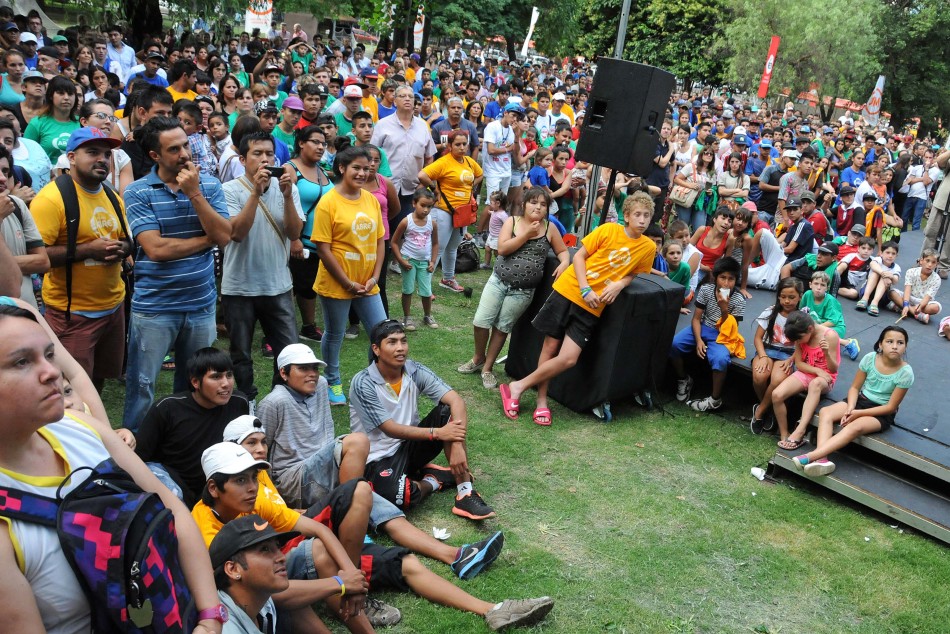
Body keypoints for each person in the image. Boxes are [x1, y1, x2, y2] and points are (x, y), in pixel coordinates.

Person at [0, 302, 225, 633]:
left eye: (49, 355)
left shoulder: (81, 427)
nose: (52, 372)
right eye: (21, 362)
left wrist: (210, 615)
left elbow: (171, 507)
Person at [499, 192, 656, 424]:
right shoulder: (608, 230)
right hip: (570, 289)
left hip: (593, 306)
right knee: (549, 347)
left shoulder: (648, 247)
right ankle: (541, 401)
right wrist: (585, 288)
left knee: (569, 358)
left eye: (647, 216)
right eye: (637, 215)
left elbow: (633, 272)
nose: (642, 220)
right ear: (627, 216)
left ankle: (518, 386)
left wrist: (620, 283)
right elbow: (579, 257)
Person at [122, 116, 232, 431]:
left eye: (185, 144)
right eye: (174, 149)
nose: (185, 153)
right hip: (155, 307)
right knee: (142, 387)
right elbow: (155, 249)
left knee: (193, 385)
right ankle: (136, 452)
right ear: (155, 155)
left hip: (200, 305)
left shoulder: (208, 185)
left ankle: (184, 441)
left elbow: (224, 238)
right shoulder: (138, 192)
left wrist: (195, 194)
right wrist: (206, 239)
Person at [350, 319, 498, 520]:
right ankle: (434, 480)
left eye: (404, 341)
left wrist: (455, 445)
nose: (400, 348)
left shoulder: (414, 370)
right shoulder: (363, 383)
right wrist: (438, 433)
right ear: (376, 349)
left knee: (447, 412)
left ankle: (465, 493)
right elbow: (389, 428)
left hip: (410, 446)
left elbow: (457, 401)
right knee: (400, 498)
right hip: (378, 456)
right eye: (392, 342)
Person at [32, 126, 130, 393]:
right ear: (72, 157)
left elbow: (127, 239)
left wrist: (120, 248)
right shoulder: (51, 199)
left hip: (113, 306)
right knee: (70, 387)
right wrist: (90, 250)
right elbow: (38, 257)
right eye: (93, 152)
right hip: (73, 314)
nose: (102, 159)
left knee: (98, 378)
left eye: (107, 154)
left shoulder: (111, 194)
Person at [221, 131, 303, 407]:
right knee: (240, 352)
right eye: (257, 154)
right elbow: (237, 232)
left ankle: (280, 402)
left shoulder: (287, 188)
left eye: (270, 154)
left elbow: (294, 232)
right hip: (239, 286)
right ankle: (246, 402)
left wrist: (289, 196)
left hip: (278, 285)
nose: (265, 159)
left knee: (288, 352)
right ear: (243, 159)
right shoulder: (229, 190)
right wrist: (256, 192)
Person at [459, 187, 569, 391]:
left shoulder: (549, 228)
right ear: (524, 204)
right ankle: (478, 357)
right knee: (481, 321)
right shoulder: (512, 222)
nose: (538, 207)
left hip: (523, 291)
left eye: (543, 204)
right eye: (534, 202)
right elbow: (502, 249)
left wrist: (564, 262)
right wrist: (526, 234)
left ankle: (488, 369)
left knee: (502, 328)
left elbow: (562, 251)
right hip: (498, 281)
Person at [312, 145, 387, 406]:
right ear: (342, 168)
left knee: (381, 333)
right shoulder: (328, 202)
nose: (362, 173)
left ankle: (373, 381)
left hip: (368, 282)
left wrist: (375, 278)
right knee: (335, 333)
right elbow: (323, 247)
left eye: (366, 168)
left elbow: (380, 240)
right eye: (356, 167)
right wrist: (347, 282)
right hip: (338, 282)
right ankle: (332, 380)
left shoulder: (371, 200)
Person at [792, 326, 913, 477]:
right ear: (881, 344)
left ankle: (811, 456)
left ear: (905, 346)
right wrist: (850, 408)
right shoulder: (870, 358)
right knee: (826, 412)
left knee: (854, 427)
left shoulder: (905, 373)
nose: (895, 346)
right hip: (859, 401)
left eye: (900, 343)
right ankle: (822, 460)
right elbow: (855, 388)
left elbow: (890, 407)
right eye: (890, 341)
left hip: (880, 412)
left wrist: (858, 414)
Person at [135, 347, 250, 505]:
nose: (226, 384)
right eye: (216, 377)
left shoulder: (239, 403)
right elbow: (138, 460)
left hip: (218, 489)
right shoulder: (167, 409)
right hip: (173, 489)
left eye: (229, 375)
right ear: (195, 381)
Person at [670, 256, 746, 412]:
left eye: (730, 279)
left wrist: (724, 308)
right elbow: (696, 319)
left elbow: (730, 329)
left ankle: (714, 399)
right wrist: (698, 340)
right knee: (674, 344)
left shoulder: (738, 299)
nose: (726, 283)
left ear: (735, 280)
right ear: (716, 277)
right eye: (722, 278)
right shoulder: (706, 290)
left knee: (720, 359)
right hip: (703, 326)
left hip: (722, 334)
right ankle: (683, 379)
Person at [417, 129, 483, 293]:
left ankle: (448, 278)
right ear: (449, 145)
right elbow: (422, 175)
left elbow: (480, 174)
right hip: (444, 211)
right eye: (457, 144)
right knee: (437, 247)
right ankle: (424, 284)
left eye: (464, 144)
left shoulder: (468, 162)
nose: (462, 147)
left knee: (453, 247)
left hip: (462, 213)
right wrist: (434, 188)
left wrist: (470, 187)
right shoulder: (444, 162)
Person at [208, 514, 299, 633]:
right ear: (233, 569)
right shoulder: (226, 629)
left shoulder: (261, 597)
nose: (282, 557)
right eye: (265, 549)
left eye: (277, 547)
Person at [371, 84, 436, 230]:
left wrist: (423, 183)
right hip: (385, 187)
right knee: (381, 229)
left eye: (410, 97)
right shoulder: (382, 125)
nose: (407, 99)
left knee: (406, 231)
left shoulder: (423, 126)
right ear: (395, 101)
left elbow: (429, 158)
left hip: (412, 188)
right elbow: (372, 154)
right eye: (402, 96)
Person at [772, 310, 840, 450]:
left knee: (815, 384)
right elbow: (799, 363)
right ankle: (784, 433)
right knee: (776, 395)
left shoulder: (830, 336)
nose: (797, 342)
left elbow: (833, 369)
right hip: (808, 372)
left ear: (810, 329)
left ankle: (800, 430)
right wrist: (816, 370)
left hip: (825, 378)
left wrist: (826, 354)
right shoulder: (800, 336)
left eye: (799, 339)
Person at [749, 278, 804, 434]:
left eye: (792, 297)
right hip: (767, 349)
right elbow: (757, 338)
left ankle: (759, 412)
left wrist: (792, 359)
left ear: (800, 296)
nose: (787, 301)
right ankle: (769, 409)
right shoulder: (770, 312)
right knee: (760, 376)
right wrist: (763, 356)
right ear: (778, 296)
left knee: (778, 379)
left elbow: (802, 344)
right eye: (783, 296)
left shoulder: (802, 316)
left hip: (788, 353)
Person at [0, 146, 47, 309]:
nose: (2, 178)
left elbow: (43, 261)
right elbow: (12, 287)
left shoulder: (17, 205)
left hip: (27, 315)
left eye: (5, 171)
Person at [391, 187, 440, 330]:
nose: (426, 210)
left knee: (426, 291)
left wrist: (432, 261)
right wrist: (401, 260)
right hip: (409, 260)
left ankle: (427, 315)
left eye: (429, 206)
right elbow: (394, 243)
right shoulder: (406, 222)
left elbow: (436, 243)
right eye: (423, 205)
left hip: (424, 262)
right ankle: (407, 318)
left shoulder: (432, 223)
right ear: (414, 203)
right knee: (408, 290)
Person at [891, 248, 942, 324]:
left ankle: (901, 308)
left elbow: (927, 297)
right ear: (921, 261)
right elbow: (907, 290)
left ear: (936, 265)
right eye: (927, 261)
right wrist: (905, 304)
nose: (930, 265)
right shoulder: (911, 271)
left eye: (933, 262)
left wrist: (920, 307)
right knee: (892, 292)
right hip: (909, 298)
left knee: (936, 308)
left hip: (923, 302)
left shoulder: (937, 279)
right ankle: (918, 315)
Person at [855, 241, 901, 317]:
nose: (890, 256)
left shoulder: (896, 267)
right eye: (887, 252)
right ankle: (864, 299)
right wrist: (883, 274)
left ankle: (874, 303)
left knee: (887, 279)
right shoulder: (878, 260)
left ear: (896, 255)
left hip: (882, 298)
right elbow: (872, 264)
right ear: (881, 253)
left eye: (893, 254)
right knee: (875, 272)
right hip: (867, 291)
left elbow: (895, 281)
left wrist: (891, 276)